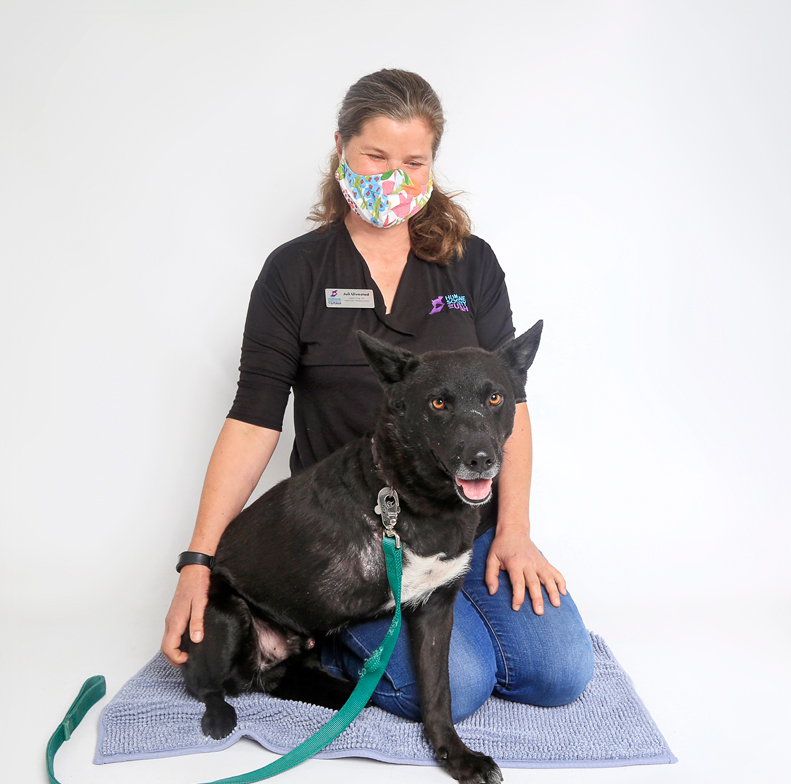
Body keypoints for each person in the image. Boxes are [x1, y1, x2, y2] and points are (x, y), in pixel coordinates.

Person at [162, 69, 594, 722]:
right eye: (376, 157)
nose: (394, 177)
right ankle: (321, 642)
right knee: (461, 687)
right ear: (341, 148)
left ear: (432, 166)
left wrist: (513, 531)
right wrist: (199, 561)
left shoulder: (469, 263)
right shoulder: (296, 272)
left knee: (561, 673)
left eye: (413, 162)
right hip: (352, 542)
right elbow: (254, 420)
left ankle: (443, 615)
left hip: (461, 524)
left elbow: (513, 406)